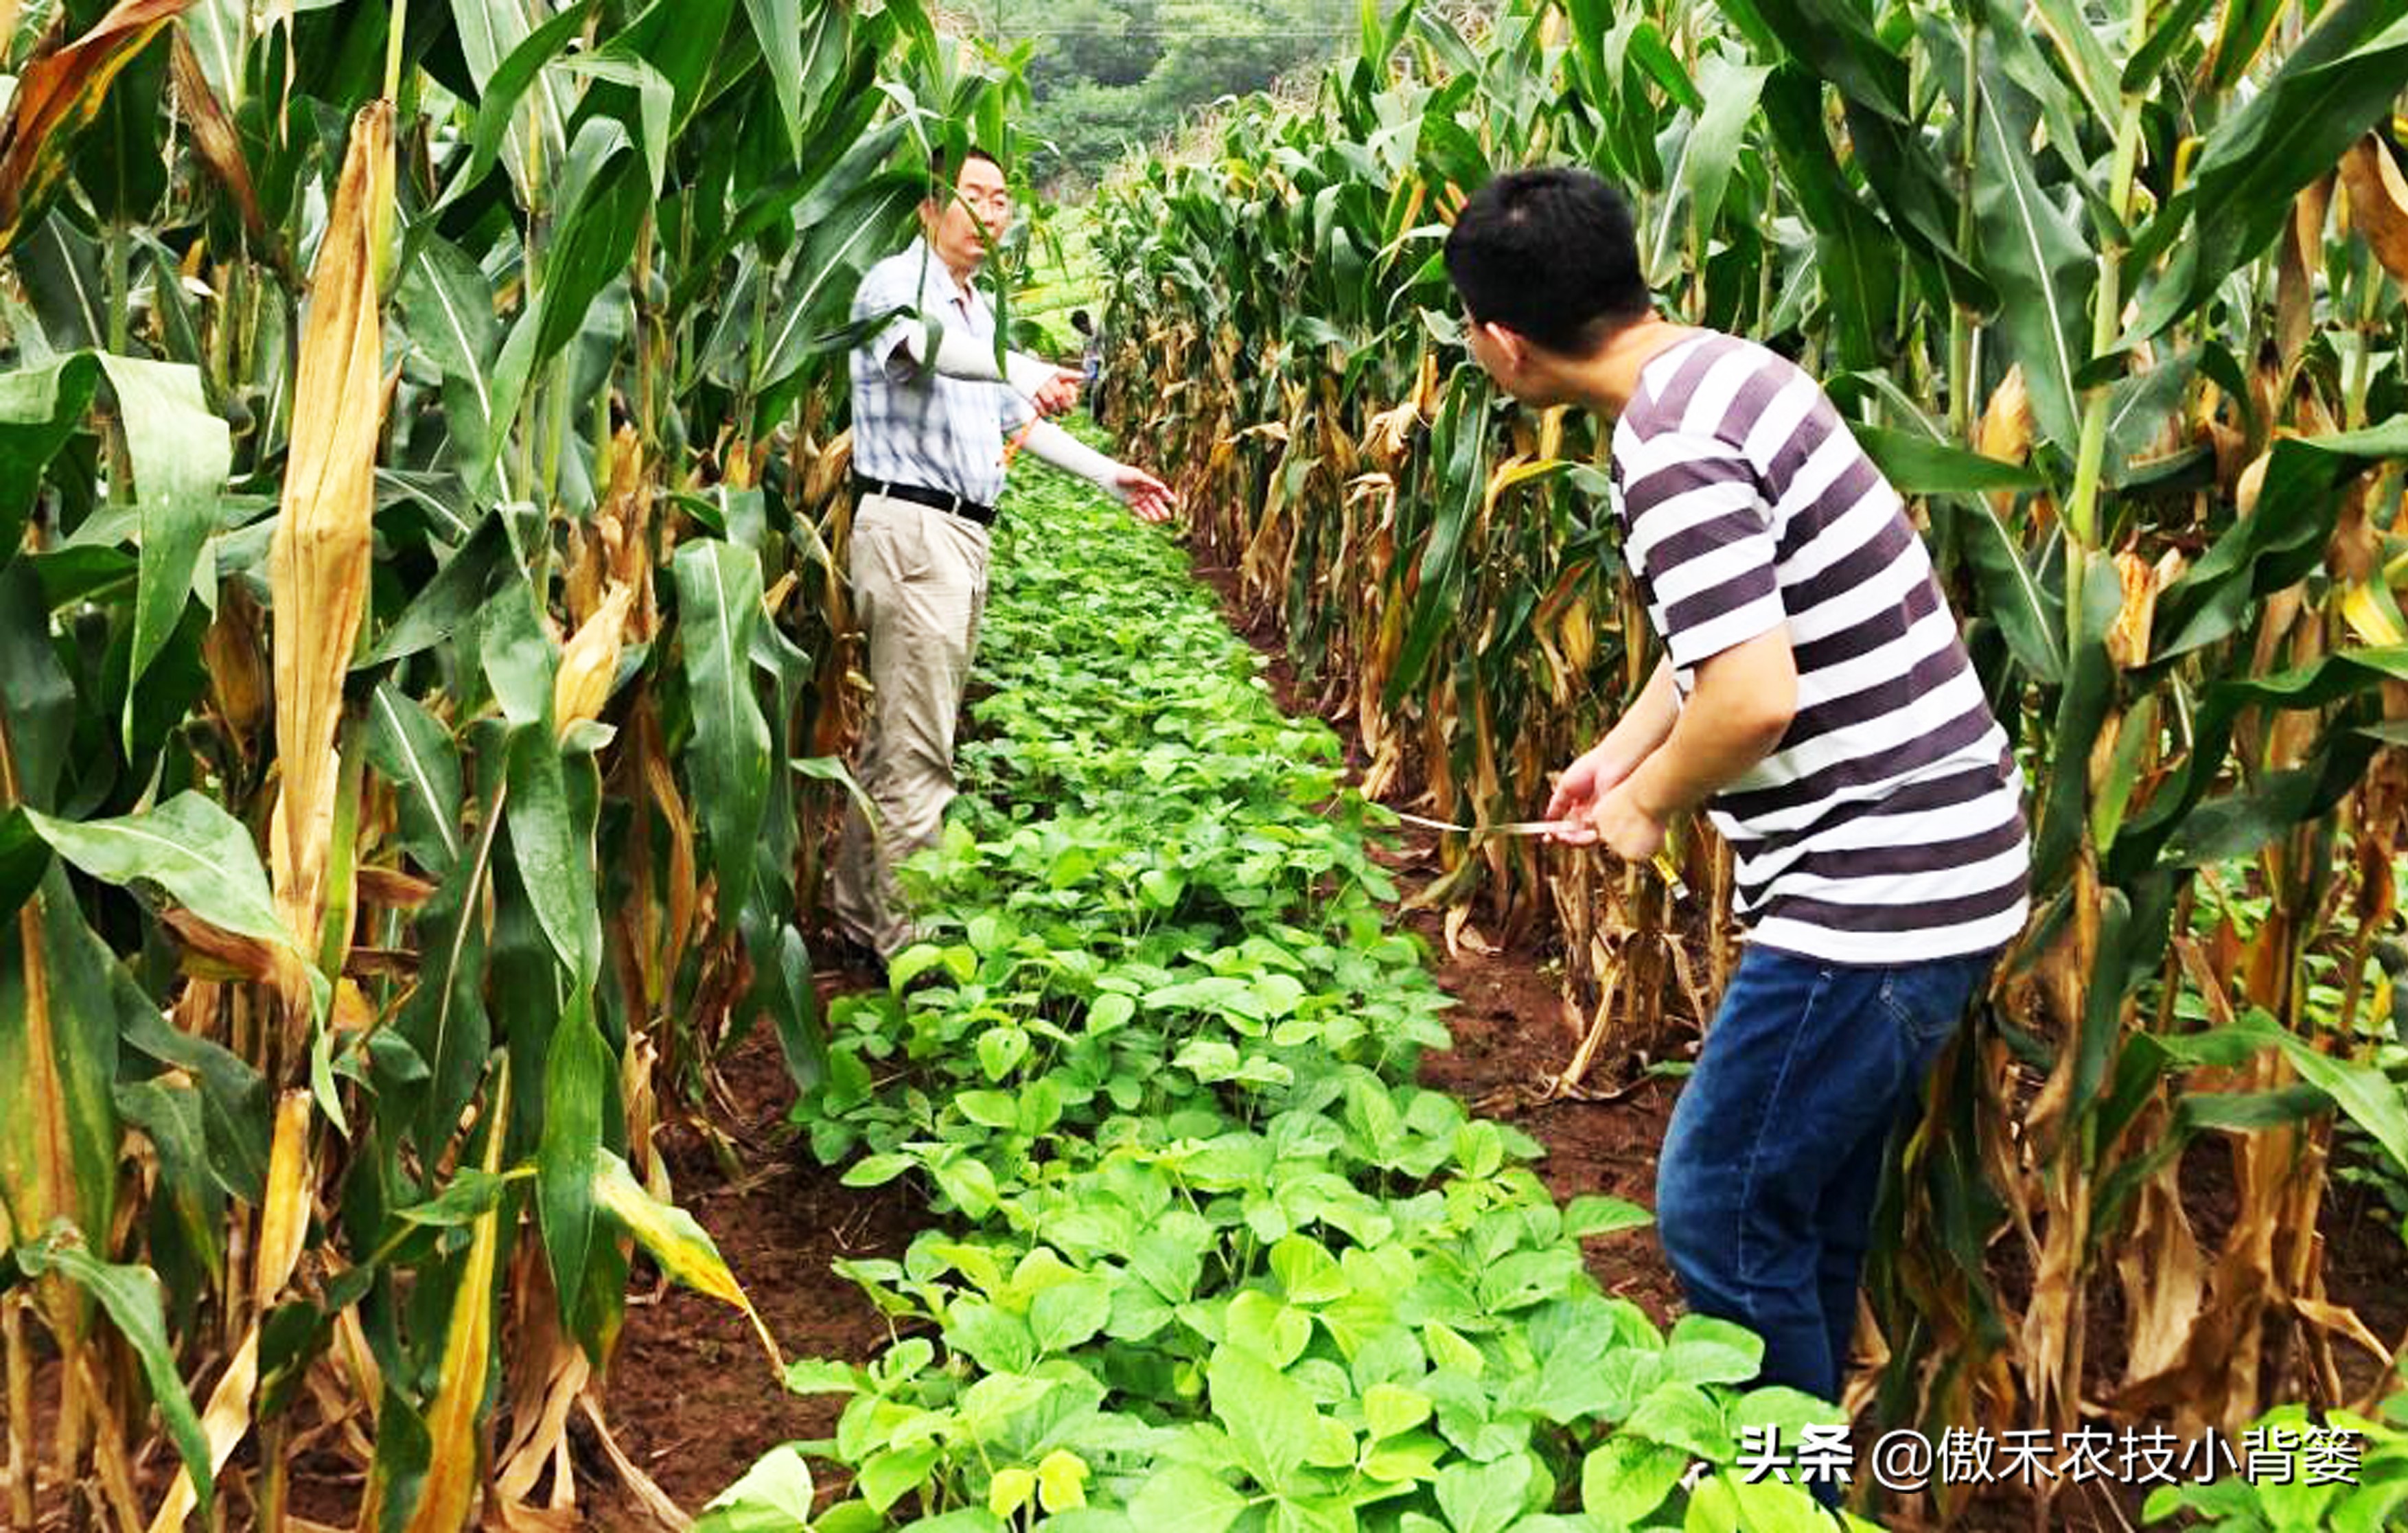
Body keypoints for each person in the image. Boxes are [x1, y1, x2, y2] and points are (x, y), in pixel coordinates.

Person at [1442, 167, 2030, 1410]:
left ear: (1503, 343)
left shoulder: (1667, 450)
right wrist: (1620, 746)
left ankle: (1779, 1492)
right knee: (1798, 1208)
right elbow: (1720, 635)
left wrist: (1648, 803)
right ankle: (1800, 1466)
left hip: (1875, 894)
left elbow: (1753, 696)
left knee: (1713, 1204)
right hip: (1946, 860)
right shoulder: (1724, 372)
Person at [829, 146, 1177, 969]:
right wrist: (1017, 362)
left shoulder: (976, 307)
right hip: (913, 533)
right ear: (927, 206)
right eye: (972, 196)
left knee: (896, 739)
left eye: (1001, 200)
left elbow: (1007, 419)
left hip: (959, 535)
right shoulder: (896, 285)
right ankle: (913, 960)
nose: (992, 214)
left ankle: (855, 916)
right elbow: (920, 348)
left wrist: (1107, 474)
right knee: (920, 756)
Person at [1069, 308, 1102, 391]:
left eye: (1083, 327)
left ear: (1088, 321)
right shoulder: (1083, 336)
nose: (1083, 331)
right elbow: (1087, 352)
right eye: (1080, 330)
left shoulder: (1100, 328)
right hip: (1094, 362)